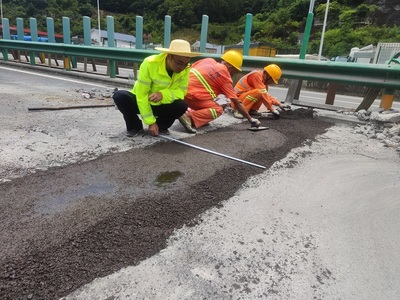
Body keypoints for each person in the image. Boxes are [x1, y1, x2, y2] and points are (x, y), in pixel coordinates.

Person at [113, 39, 201, 137]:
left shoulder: (185, 69)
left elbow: (181, 92)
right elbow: (142, 95)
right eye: (180, 63)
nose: (182, 67)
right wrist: (151, 122)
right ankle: (135, 127)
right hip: (142, 101)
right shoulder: (150, 63)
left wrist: (163, 95)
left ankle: (161, 126)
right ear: (169, 57)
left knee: (181, 105)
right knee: (120, 96)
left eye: (186, 64)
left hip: (162, 104)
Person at [178, 50, 261, 133]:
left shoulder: (207, 60)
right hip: (191, 96)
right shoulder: (225, 77)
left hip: (179, 91)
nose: (234, 74)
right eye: (235, 71)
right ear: (230, 67)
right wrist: (251, 119)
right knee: (217, 109)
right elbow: (237, 103)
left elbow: (188, 69)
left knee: (209, 99)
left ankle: (199, 119)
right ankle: (189, 117)